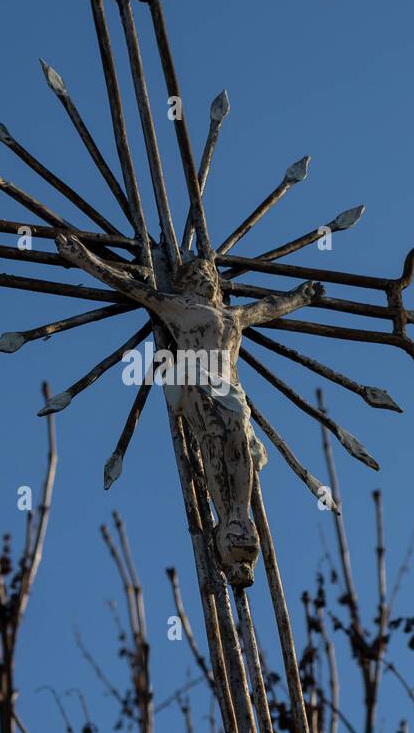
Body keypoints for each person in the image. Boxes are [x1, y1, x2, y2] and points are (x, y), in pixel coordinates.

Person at [55, 234, 322, 585]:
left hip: (232, 394)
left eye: (210, 277)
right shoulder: (177, 307)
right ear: (186, 285)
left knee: (239, 444)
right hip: (198, 388)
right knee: (214, 443)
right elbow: (126, 286)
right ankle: (226, 519)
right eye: (198, 277)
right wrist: (84, 258)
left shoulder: (233, 315)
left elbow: (270, 306)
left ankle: (239, 522)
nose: (206, 281)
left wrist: (301, 297)